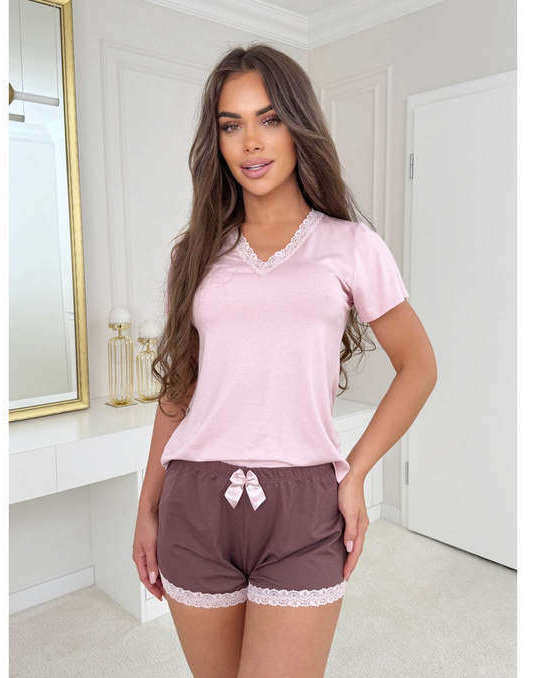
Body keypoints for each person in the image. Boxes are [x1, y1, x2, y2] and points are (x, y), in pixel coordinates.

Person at [132, 43, 437, 678]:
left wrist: (354, 473)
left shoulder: (351, 246)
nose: (251, 142)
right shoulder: (193, 253)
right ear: (216, 141)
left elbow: (419, 366)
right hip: (194, 500)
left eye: (269, 119)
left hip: (304, 506)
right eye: (231, 124)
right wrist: (146, 507)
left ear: (298, 127)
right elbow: (180, 386)